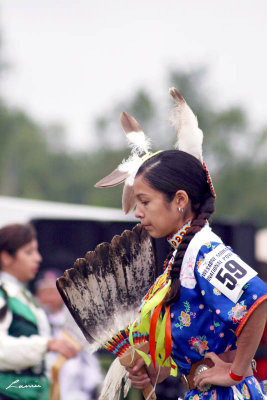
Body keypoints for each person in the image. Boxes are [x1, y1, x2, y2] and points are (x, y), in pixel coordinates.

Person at [95, 88, 267, 399]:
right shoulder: (179, 259)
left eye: (145, 201)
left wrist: (235, 371)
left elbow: (258, 299)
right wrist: (150, 370)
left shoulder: (205, 251)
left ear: (179, 200)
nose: (138, 212)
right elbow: (176, 355)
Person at [0, 223, 78, 400]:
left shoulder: (22, 296)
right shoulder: (3, 294)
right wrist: (46, 344)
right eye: (29, 252)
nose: (38, 258)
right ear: (6, 257)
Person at [35, 269, 103, 400]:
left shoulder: (75, 322)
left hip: (74, 393)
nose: (49, 297)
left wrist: (97, 385)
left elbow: (89, 361)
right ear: (37, 296)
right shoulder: (32, 321)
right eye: (44, 292)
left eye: (53, 292)